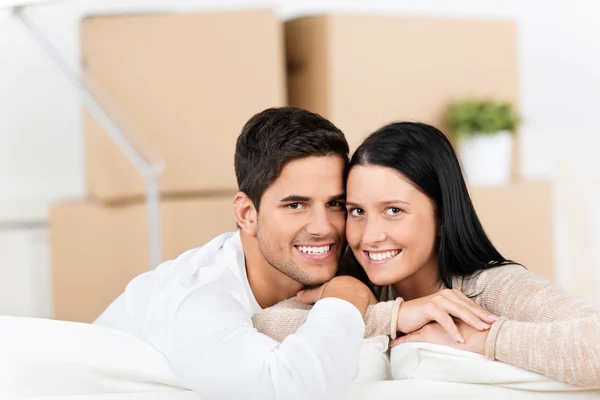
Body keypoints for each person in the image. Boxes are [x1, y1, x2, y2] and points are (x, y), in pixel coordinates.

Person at [93, 108, 492, 400]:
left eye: (336, 204)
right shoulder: (197, 297)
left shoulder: (353, 259)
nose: (322, 227)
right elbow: (293, 389)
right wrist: (347, 296)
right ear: (247, 214)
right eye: (295, 205)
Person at [252, 121, 600, 388]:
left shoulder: (489, 287)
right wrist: (396, 316)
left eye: (394, 211)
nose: (370, 237)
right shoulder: (355, 287)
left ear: (442, 217)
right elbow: (259, 327)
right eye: (357, 211)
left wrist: (483, 338)